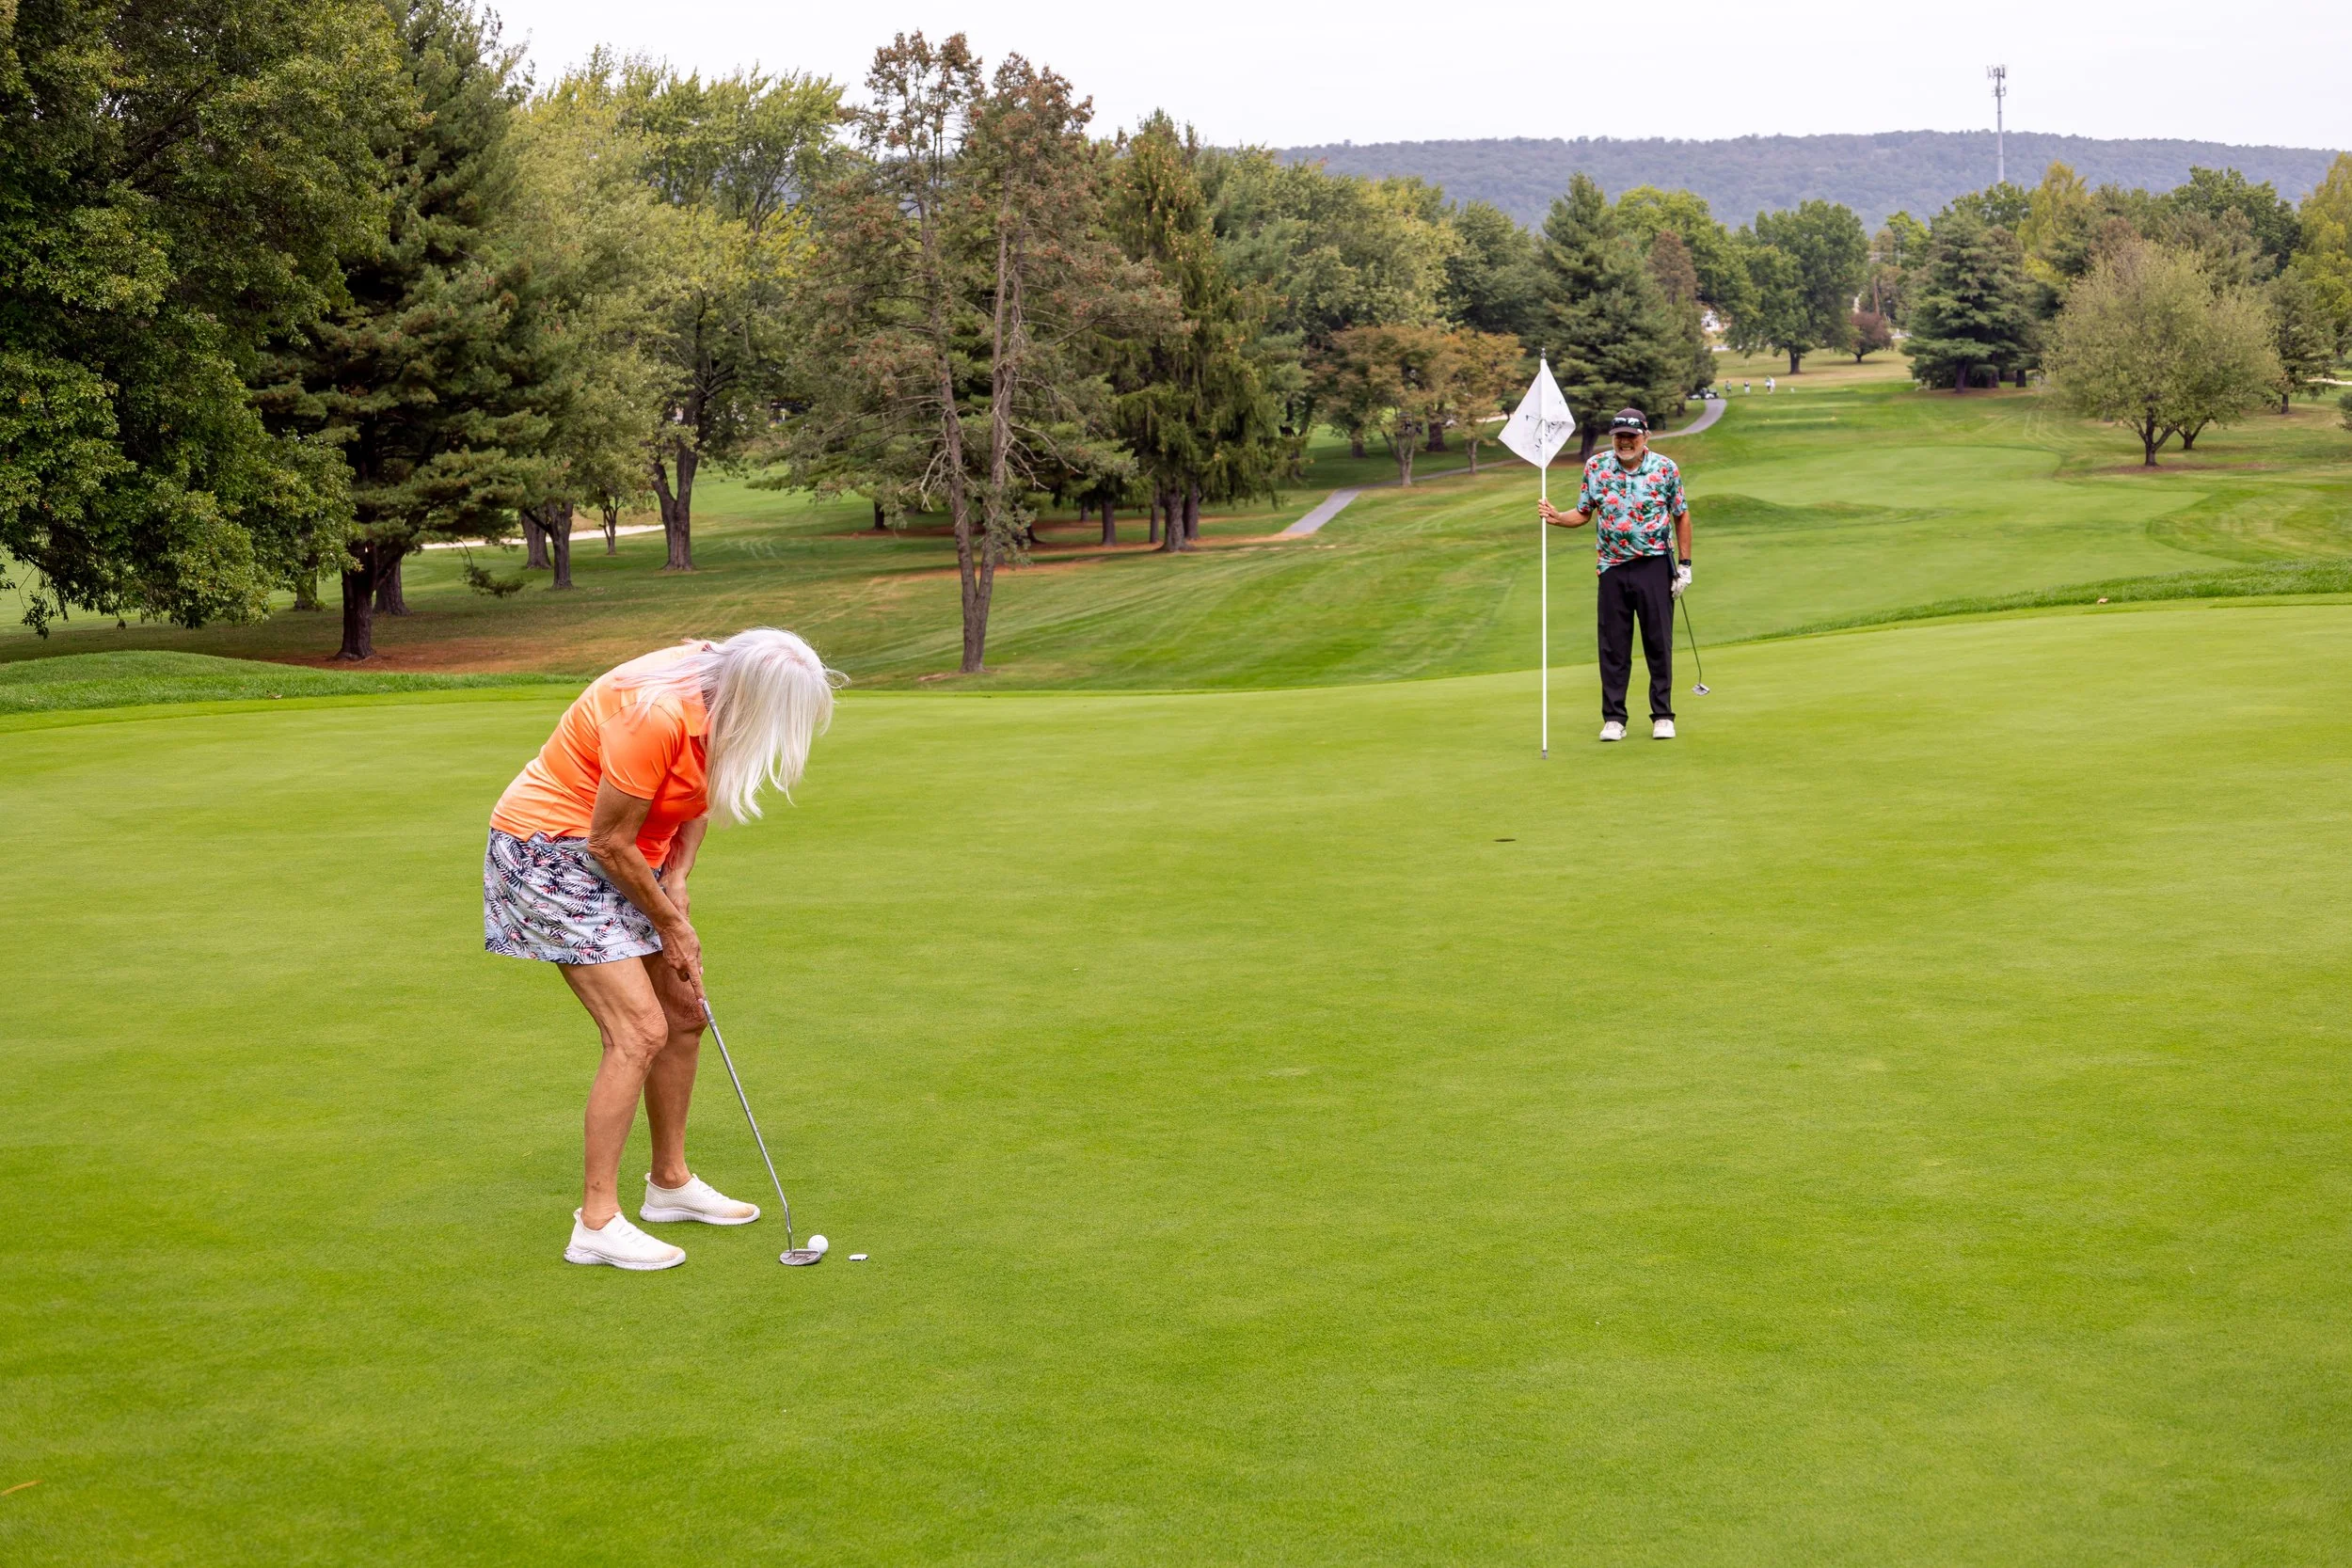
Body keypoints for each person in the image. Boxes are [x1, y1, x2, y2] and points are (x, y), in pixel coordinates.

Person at [484, 628, 843, 1270]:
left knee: (683, 1013)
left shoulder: (719, 690)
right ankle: (595, 1221)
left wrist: (678, 876)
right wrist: (672, 926)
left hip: (629, 856)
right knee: (639, 1030)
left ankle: (669, 1184)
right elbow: (607, 841)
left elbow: (700, 783)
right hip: (550, 849)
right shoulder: (653, 709)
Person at [1538, 408, 1694, 741]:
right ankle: (1614, 719)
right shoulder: (1596, 467)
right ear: (1613, 438)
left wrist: (1685, 565)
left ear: (1645, 437)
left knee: (1658, 643)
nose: (1625, 442)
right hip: (1611, 567)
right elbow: (1583, 513)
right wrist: (1556, 517)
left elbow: (1680, 515)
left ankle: (1663, 715)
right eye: (1619, 437)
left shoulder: (1665, 468)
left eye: (1632, 437)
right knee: (1613, 646)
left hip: (1654, 564)